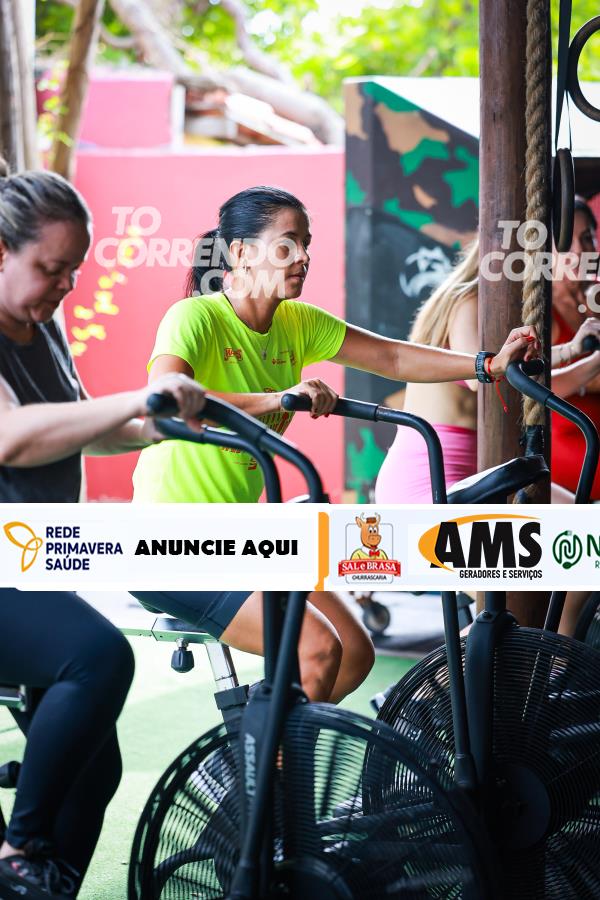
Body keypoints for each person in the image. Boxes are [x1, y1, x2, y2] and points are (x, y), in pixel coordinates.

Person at [130, 185, 538, 697]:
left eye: (306, 243)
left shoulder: (296, 322)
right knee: (318, 648)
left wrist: (487, 365)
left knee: (353, 655)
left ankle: (265, 735)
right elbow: (166, 397)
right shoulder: (195, 317)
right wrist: (279, 398)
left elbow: (391, 357)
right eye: (288, 244)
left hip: (242, 535)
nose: (303, 256)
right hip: (170, 542)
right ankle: (268, 746)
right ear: (241, 252)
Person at [0, 161, 206, 898]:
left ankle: (40, 888)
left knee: (95, 768)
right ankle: (18, 851)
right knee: (97, 658)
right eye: (50, 268)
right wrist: (138, 399)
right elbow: (13, 436)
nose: (64, 286)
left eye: (73, 272)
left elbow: (83, 426)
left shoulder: (41, 328)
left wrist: (157, 426)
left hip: (28, 570)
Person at [375, 238, 600, 504]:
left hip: (472, 477)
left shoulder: (493, 308)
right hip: (426, 481)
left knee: (580, 514)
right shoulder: (467, 301)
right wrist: (588, 362)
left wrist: (575, 351)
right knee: (574, 515)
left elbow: (516, 367)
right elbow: (483, 377)